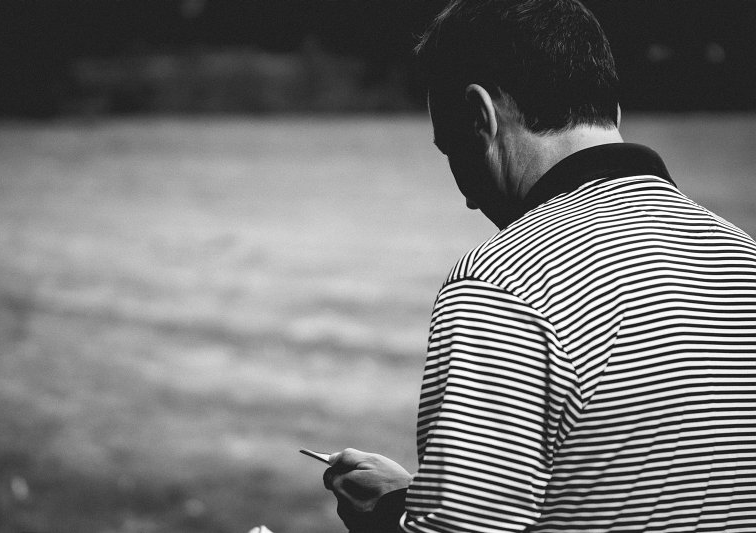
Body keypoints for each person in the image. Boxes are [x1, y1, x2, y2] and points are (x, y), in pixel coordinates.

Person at [322, 0, 756, 532]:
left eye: (450, 149)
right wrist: (415, 499)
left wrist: (386, 518)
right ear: (613, 115)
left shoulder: (501, 281)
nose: (468, 201)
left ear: (480, 116)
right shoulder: (743, 254)